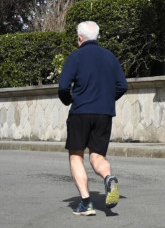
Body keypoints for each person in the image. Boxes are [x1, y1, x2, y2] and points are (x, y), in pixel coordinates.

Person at [58, 21, 128, 216]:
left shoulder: (76, 56)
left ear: (80, 38)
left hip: (80, 112)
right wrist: (105, 100)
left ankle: (86, 203)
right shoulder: (110, 57)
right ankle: (108, 177)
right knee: (98, 157)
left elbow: (63, 87)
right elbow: (122, 86)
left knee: (76, 156)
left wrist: (69, 100)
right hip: (104, 113)